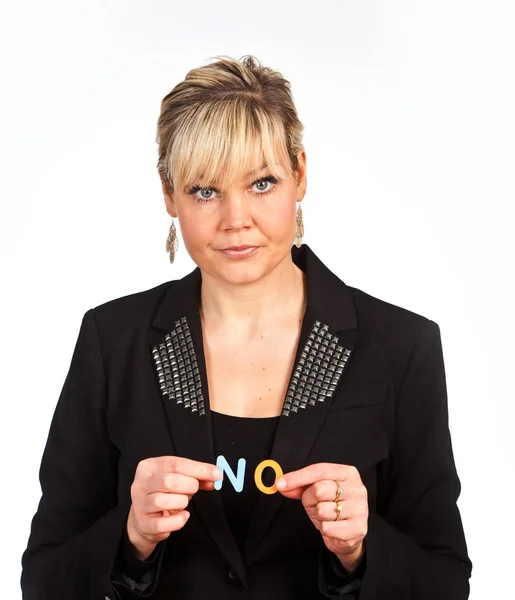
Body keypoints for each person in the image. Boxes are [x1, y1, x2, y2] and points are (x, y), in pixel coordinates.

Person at [20, 54, 472, 600]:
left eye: (261, 183)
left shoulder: (402, 348)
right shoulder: (111, 342)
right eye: (205, 191)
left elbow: (446, 581)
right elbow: (43, 579)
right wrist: (131, 536)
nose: (236, 219)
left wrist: (361, 549)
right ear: (169, 194)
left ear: (299, 174)